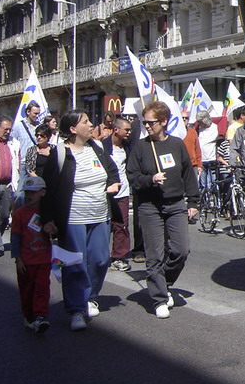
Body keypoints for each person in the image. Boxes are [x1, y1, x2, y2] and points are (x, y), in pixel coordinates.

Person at [40, 110, 121, 331]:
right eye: (85, 122)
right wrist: (47, 219)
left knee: (101, 259)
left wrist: (114, 184)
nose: (91, 124)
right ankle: (76, 309)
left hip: (100, 216)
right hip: (73, 218)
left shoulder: (97, 148)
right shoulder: (59, 155)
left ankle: (90, 296)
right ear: (73, 129)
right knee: (74, 263)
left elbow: (112, 172)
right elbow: (46, 190)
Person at [126, 101, 200, 318]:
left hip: (175, 204)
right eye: (145, 122)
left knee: (180, 250)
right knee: (155, 254)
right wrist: (150, 179)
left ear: (163, 122)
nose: (147, 126)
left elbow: (188, 174)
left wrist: (194, 202)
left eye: (151, 122)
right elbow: (132, 176)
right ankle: (159, 298)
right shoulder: (140, 147)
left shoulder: (177, 144)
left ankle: (163, 282)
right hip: (150, 206)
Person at [10, 176, 52, 333]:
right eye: (27, 192)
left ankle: (40, 316)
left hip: (43, 258)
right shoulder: (20, 213)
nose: (29, 195)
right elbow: (15, 238)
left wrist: (53, 229)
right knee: (27, 289)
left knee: (42, 287)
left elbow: (55, 232)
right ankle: (29, 316)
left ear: (42, 192)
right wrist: (17, 259)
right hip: (26, 260)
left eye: (33, 192)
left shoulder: (47, 212)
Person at [103, 116, 134, 272]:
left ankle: (119, 257)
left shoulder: (128, 147)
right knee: (103, 226)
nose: (129, 132)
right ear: (116, 130)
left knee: (121, 225)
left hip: (122, 193)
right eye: (126, 130)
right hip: (105, 193)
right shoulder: (102, 147)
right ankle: (100, 256)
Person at [0, 115, 21, 258]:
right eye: (5, 129)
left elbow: (17, 164)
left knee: (4, 215)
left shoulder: (14, 143)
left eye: (10, 130)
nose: (8, 132)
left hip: (7, 185)